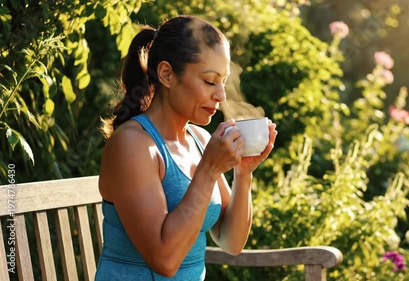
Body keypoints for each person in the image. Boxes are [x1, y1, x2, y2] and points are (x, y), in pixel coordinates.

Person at [95, 15, 277, 280]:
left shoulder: (200, 140)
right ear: (167, 74)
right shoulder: (133, 145)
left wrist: (243, 173)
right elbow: (165, 260)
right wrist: (210, 169)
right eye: (209, 81)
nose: (221, 95)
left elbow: (231, 242)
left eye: (223, 81)